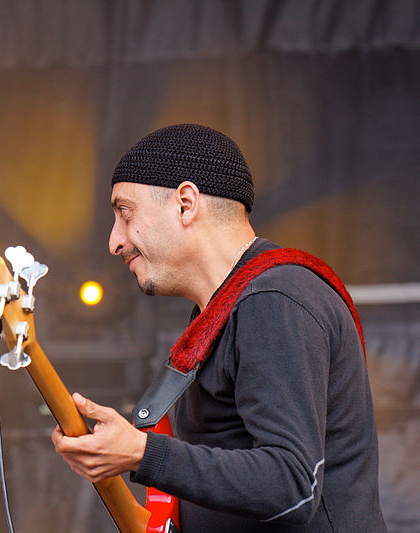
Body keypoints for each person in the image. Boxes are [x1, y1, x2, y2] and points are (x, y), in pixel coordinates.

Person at [51, 124, 387, 532]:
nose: (114, 241)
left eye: (124, 213)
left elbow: (291, 483)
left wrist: (144, 454)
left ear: (186, 204)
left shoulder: (273, 298)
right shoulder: (229, 308)